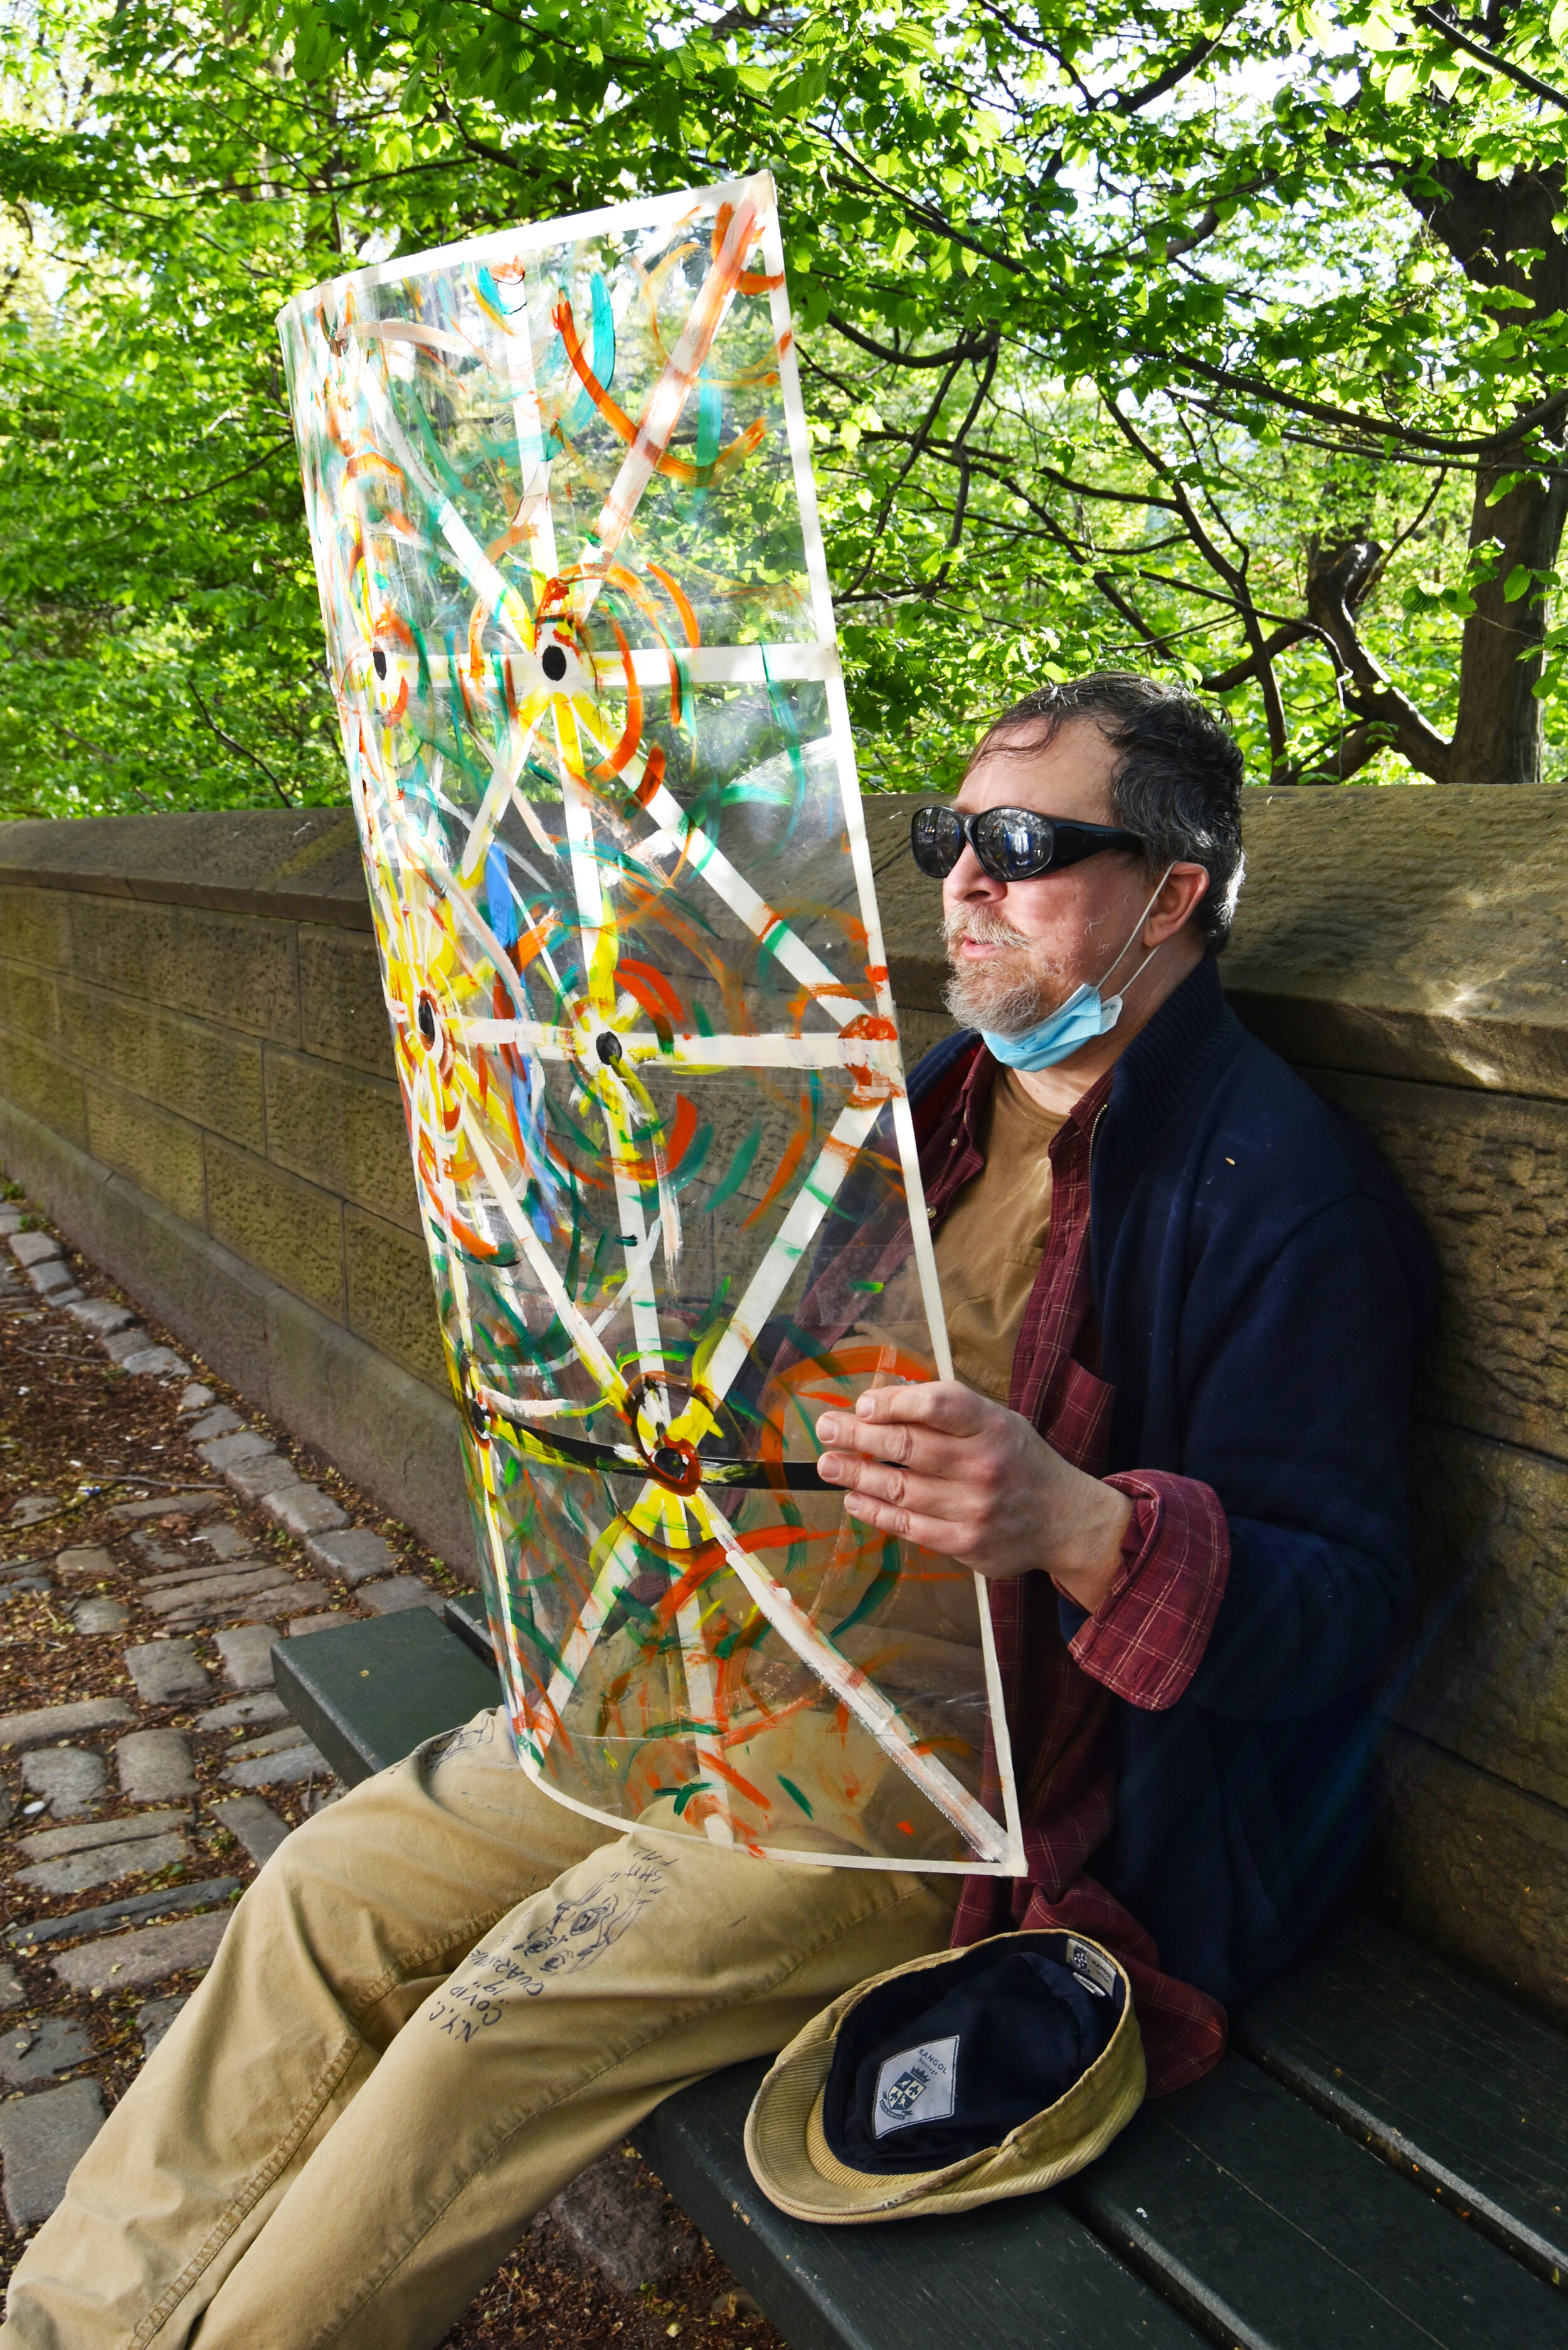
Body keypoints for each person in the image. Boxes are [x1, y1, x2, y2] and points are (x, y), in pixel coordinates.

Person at [2, 673, 1434, 2350]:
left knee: (491, 2027)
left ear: (1172, 894)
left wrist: (1080, 1525)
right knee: (326, 1893)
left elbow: (1339, 1609)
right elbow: (761, 1384)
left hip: (940, 1802)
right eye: (947, 836)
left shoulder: (1277, 1196)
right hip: (716, 1673)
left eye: (1026, 844)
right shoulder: (929, 1106)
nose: (965, 878)